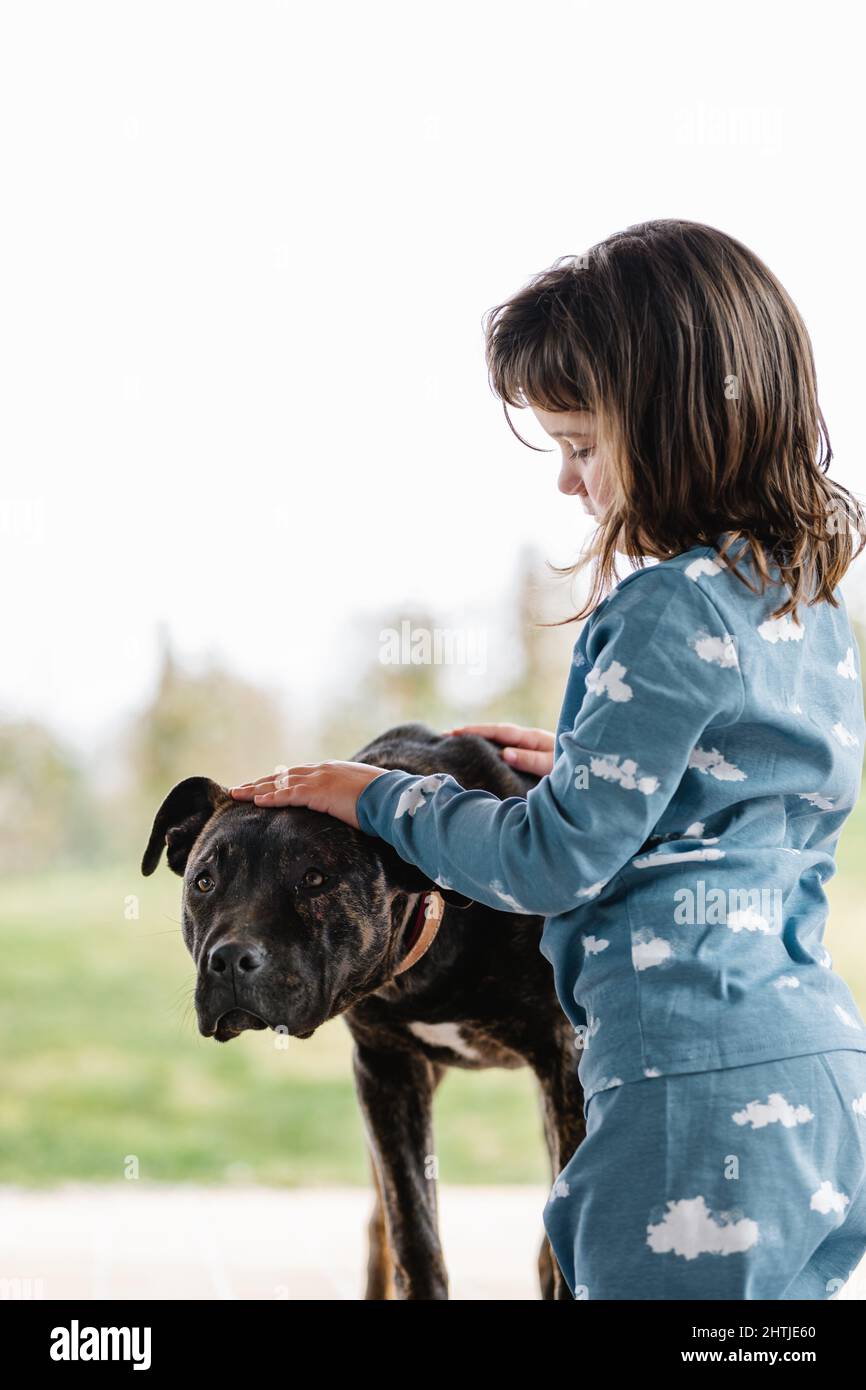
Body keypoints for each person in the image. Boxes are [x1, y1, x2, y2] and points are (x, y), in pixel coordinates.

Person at [231, 219, 866, 1300]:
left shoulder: (659, 611)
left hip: (683, 1094)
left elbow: (546, 860)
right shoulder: (805, 609)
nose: (567, 483)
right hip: (819, 1076)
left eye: (579, 445)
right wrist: (590, 764)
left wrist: (383, 796)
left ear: (668, 427)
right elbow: (738, 812)